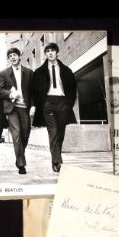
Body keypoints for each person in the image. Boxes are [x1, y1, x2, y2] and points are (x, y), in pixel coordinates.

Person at [33, 42, 77, 173]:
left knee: (60, 133)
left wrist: (69, 103)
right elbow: (35, 90)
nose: (50, 53)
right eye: (47, 51)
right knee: (53, 132)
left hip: (63, 102)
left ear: (57, 52)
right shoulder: (39, 72)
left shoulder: (66, 70)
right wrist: (38, 104)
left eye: (52, 50)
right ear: (45, 54)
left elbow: (73, 88)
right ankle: (57, 162)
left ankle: (56, 157)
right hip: (48, 103)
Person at [0, 48, 35, 175]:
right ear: (8, 58)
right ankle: (21, 164)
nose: (12, 57)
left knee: (25, 135)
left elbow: (34, 92)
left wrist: (33, 106)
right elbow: (0, 91)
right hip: (12, 109)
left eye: (15, 55)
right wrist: (11, 93)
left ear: (19, 57)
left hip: (25, 108)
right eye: (10, 56)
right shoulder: (3, 73)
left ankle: (19, 156)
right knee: (16, 135)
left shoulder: (29, 72)